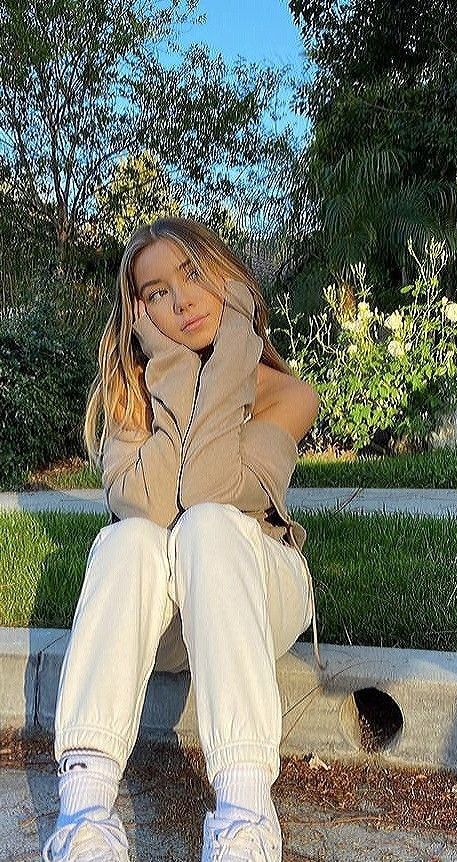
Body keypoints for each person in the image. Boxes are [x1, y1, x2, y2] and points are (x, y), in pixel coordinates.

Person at [41, 216, 326, 862]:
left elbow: (211, 491)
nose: (182, 300)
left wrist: (229, 354)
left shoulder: (288, 394)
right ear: (138, 311)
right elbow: (142, 502)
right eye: (156, 292)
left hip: (258, 588)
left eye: (193, 274)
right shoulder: (131, 395)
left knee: (208, 523)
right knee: (127, 541)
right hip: (170, 611)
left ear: (232, 278)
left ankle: (246, 817)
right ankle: (85, 813)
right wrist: (171, 366)